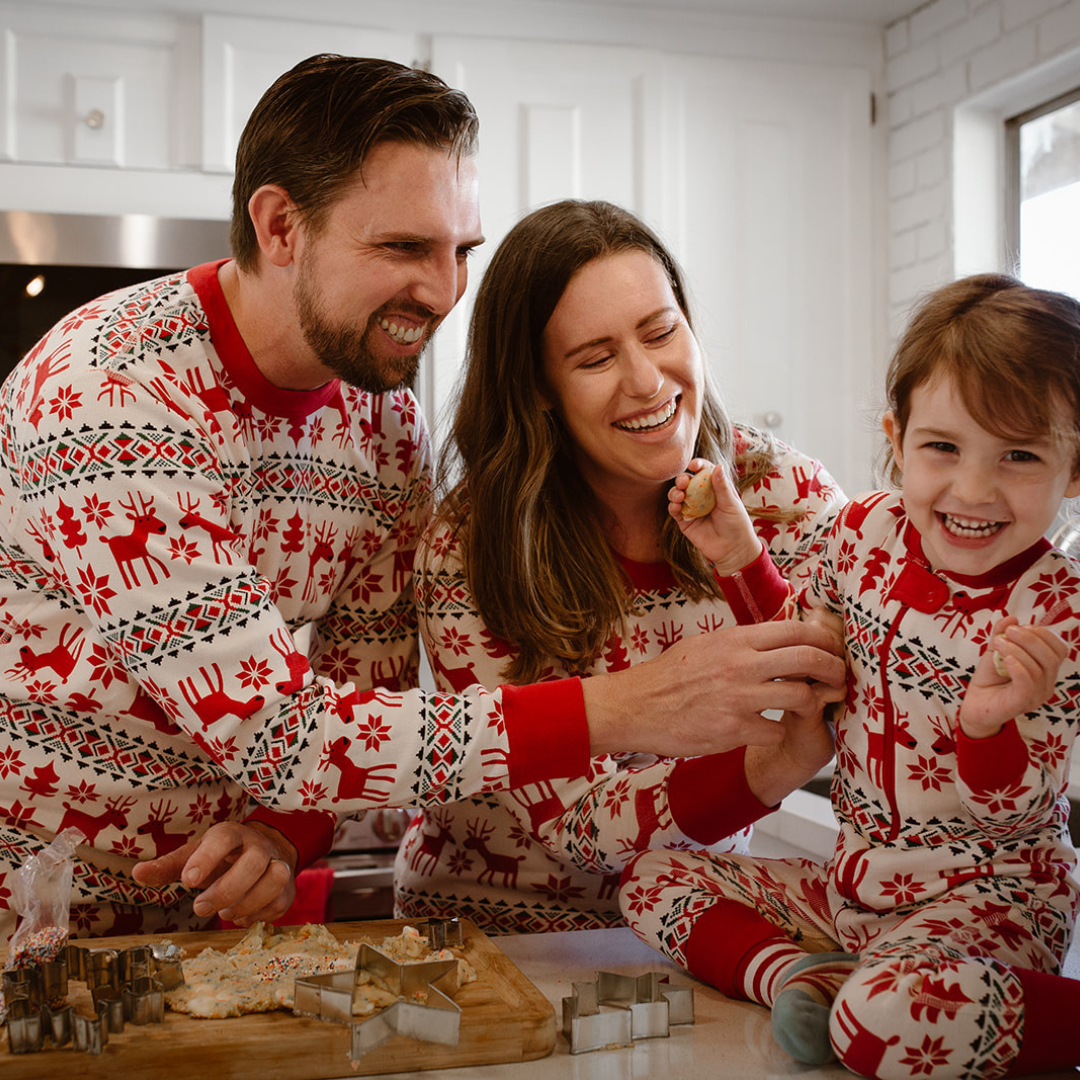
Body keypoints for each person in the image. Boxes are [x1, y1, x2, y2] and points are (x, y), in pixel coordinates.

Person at [0, 57, 846, 944]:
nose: (445, 293)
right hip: (28, 906)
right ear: (281, 225)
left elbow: (367, 684)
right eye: (404, 248)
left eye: (461, 251)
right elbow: (285, 734)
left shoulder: (380, 419)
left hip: (201, 915)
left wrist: (280, 840)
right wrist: (634, 705)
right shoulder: (110, 394)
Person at [620, 273, 1080, 1079]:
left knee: (885, 1026)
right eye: (943, 447)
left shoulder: (1059, 615)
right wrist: (737, 555)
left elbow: (1012, 806)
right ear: (896, 439)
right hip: (850, 889)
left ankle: (872, 998)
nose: (972, 489)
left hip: (989, 899)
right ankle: (802, 977)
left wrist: (987, 725)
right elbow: (806, 661)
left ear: (1074, 472)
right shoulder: (865, 531)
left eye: (1020, 456)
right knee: (650, 875)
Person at [394, 198, 848, 934]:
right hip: (493, 936)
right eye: (596, 358)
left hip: (698, 924)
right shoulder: (471, 549)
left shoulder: (784, 499)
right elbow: (579, 828)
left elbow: (861, 681)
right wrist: (776, 764)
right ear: (537, 387)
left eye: (662, 332)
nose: (646, 381)